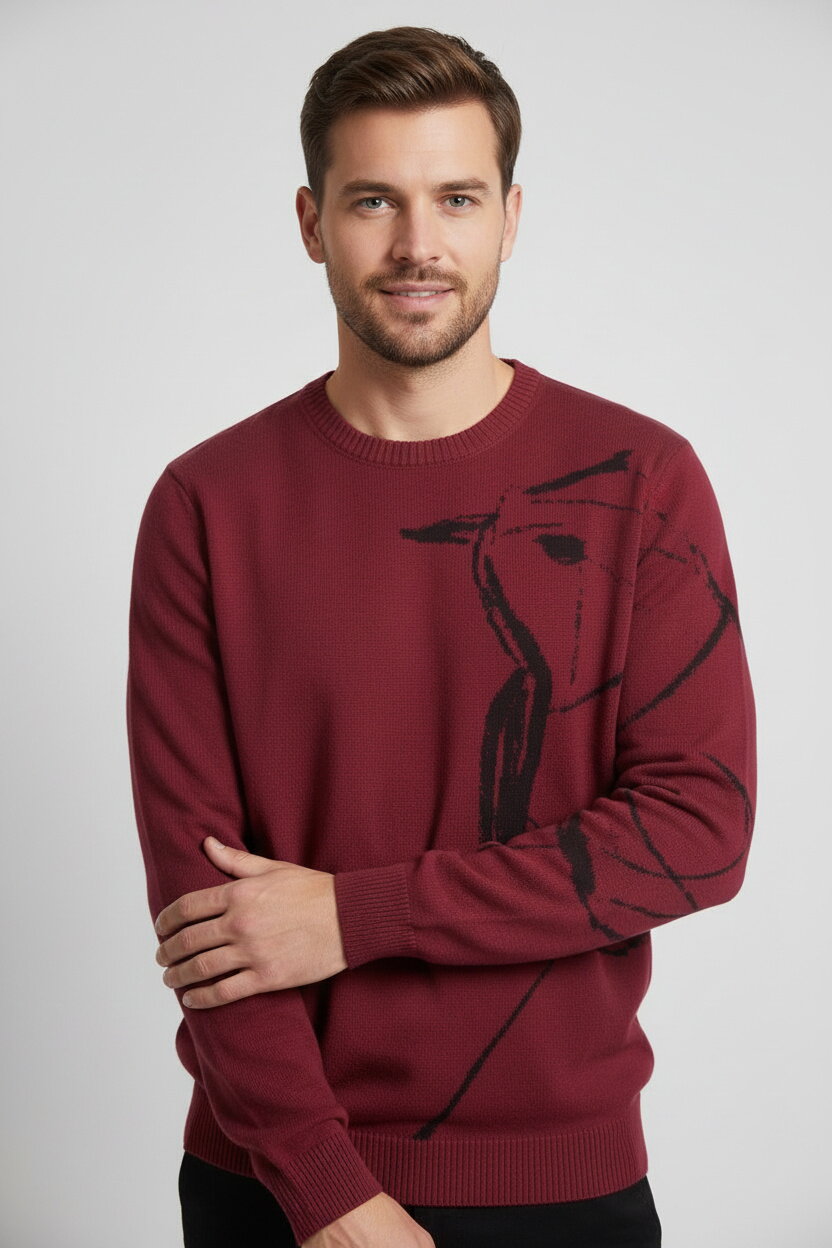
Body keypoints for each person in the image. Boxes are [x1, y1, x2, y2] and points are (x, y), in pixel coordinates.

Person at [126, 24, 756, 1248]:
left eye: (456, 198)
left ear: (510, 218)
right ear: (311, 222)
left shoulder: (642, 480)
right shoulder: (208, 504)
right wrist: (327, 1191)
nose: (418, 244)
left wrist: (358, 915)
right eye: (374, 200)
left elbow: (698, 832)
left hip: (565, 1186)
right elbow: (203, 906)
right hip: (277, 1189)